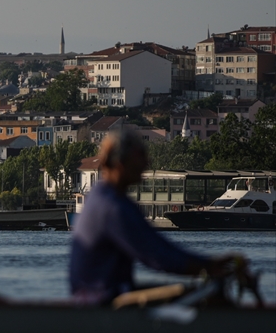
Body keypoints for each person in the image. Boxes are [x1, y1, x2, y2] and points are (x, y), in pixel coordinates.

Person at [70, 129, 237, 305]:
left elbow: (159, 246)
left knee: (192, 292)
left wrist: (206, 264)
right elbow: (157, 256)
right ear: (120, 164)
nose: (146, 163)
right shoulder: (112, 208)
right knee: (206, 298)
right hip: (101, 299)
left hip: (102, 293)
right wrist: (209, 266)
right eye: (140, 156)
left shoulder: (102, 196)